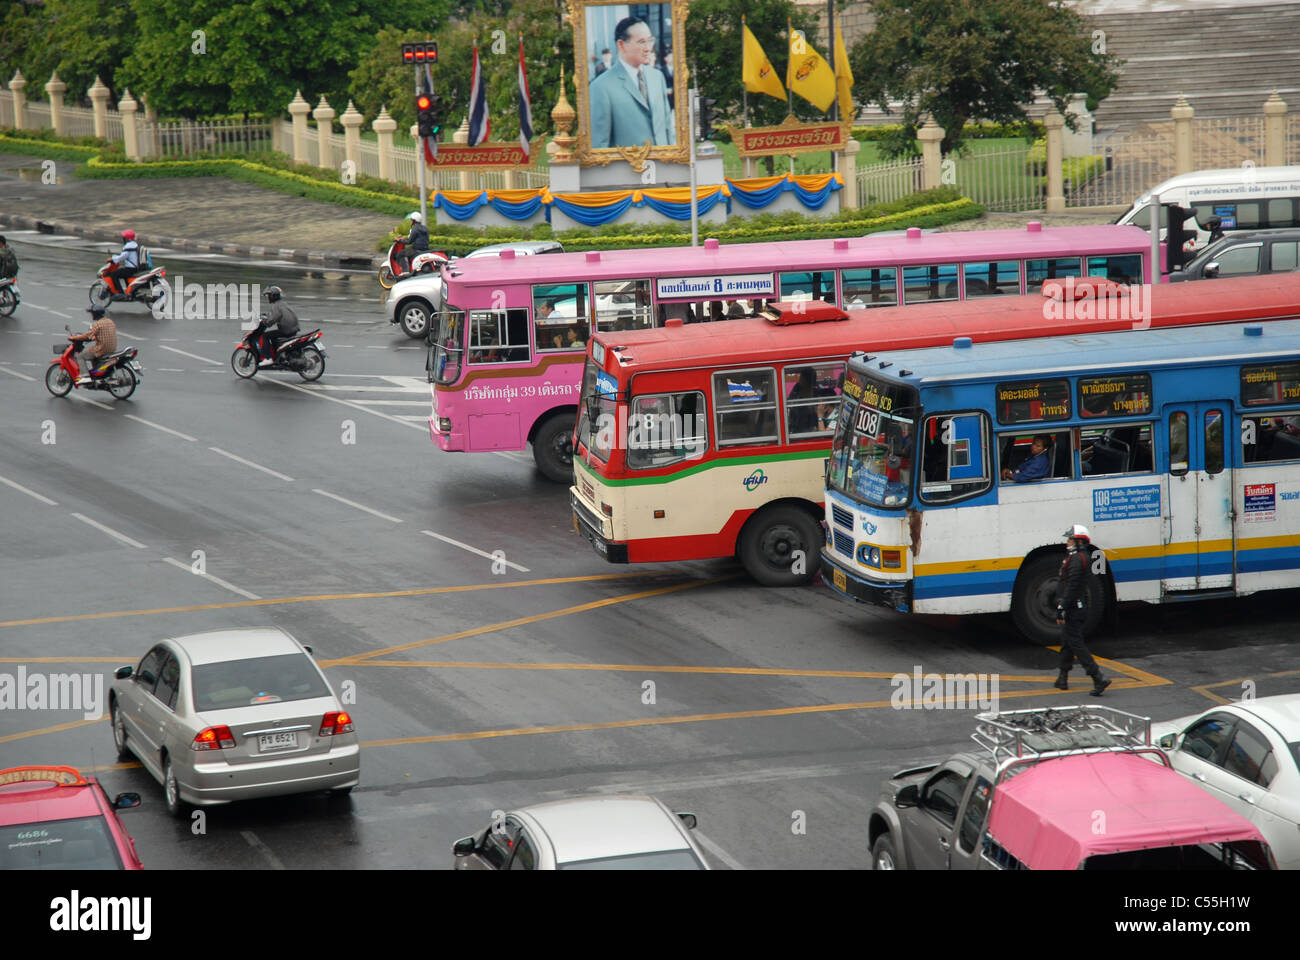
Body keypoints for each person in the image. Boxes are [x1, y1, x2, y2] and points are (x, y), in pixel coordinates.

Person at [588, 15, 673, 149]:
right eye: (641, 42)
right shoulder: (601, 87)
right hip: (626, 168)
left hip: (663, 166)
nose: (648, 48)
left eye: (650, 40)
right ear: (621, 45)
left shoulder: (657, 77)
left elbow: (668, 129)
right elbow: (599, 146)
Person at [1054, 524, 1111, 696]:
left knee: (1076, 644)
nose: (1067, 543)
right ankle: (1062, 678)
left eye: (1070, 540)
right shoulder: (1077, 557)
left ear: (1079, 541)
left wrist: (1062, 605)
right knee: (1067, 642)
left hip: (1073, 608)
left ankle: (1098, 677)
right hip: (1075, 607)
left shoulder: (1078, 559)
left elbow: (1072, 586)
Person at [71, 306, 118, 382]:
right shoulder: (110, 321)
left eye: (92, 313)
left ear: (96, 314)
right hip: (112, 348)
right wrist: (95, 337)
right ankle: (97, 375)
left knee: (80, 356)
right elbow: (104, 334)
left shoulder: (97, 324)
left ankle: (85, 376)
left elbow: (87, 336)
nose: (91, 315)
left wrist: (74, 338)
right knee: (93, 353)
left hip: (102, 349)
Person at [260, 285, 299, 357]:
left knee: (265, 336)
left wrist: (265, 322)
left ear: (273, 296)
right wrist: (266, 315)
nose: (268, 297)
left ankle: (267, 358)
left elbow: (272, 320)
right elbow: (274, 315)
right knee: (274, 338)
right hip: (294, 329)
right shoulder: (283, 303)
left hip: (286, 331)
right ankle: (277, 355)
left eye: (269, 295)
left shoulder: (276, 306)